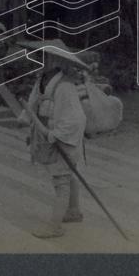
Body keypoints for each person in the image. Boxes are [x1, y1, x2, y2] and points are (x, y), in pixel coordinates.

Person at [20, 41, 90, 239]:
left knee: (61, 180)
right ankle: (74, 211)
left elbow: (76, 118)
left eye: (45, 57)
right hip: (47, 132)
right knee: (70, 172)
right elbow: (34, 102)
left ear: (57, 61)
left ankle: (55, 226)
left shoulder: (65, 85)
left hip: (63, 136)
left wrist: (56, 135)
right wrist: (27, 121)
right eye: (40, 56)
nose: (41, 61)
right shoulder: (42, 78)